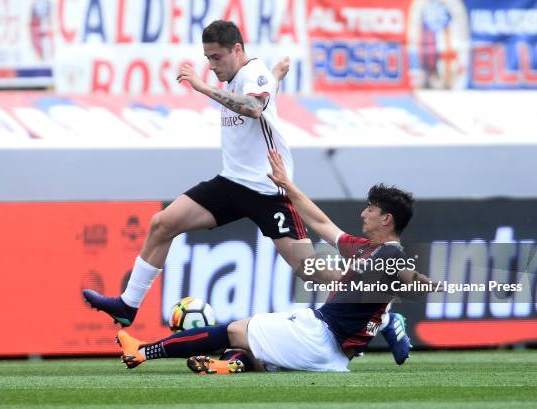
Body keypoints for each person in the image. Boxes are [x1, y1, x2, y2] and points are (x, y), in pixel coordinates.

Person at [114, 153, 440, 373]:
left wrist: (431, 285)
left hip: (320, 335)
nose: (363, 213)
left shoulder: (389, 254)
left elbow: (400, 276)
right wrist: (288, 186)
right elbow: (323, 224)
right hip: (329, 349)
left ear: (386, 218)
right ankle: (227, 366)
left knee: (233, 330)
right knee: (256, 353)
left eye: (369, 208)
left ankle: (144, 351)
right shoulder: (366, 248)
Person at [83, 21, 310, 327]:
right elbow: (262, 95)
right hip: (232, 183)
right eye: (207, 58)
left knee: (312, 269)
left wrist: (203, 88)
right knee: (163, 223)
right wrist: (277, 76)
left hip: (268, 190)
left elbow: (255, 106)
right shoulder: (244, 77)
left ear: (237, 50)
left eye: (217, 57)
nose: (212, 65)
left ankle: (380, 314)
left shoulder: (253, 72)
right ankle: (127, 305)